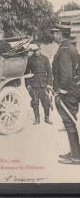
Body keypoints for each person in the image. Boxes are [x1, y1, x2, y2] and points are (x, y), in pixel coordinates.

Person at [51, 24, 80, 164]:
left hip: (68, 92)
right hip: (73, 90)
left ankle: (76, 157)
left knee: (69, 122)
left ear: (60, 34)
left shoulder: (64, 50)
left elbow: (67, 75)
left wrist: (61, 92)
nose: (53, 35)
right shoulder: (71, 47)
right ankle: (75, 152)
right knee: (70, 122)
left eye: (54, 33)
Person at [25, 43, 53, 125]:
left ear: (40, 49)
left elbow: (49, 72)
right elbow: (27, 73)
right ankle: (37, 118)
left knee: (46, 102)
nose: (36, 52)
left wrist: (49, 84)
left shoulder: (45, 58)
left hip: (44, 84)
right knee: (35, 102)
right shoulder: (30, 59)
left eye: (37, 50)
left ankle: (47, 117)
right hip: (34, 84)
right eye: (34, 50)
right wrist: (28, 84)